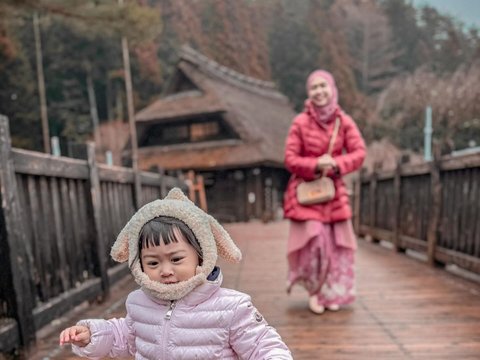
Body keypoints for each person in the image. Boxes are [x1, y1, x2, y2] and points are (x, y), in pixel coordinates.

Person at [59, 188, 292, 359]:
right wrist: (91, 335)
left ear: (201, 255)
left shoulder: (232, 307)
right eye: (152, 263)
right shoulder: (139, 302)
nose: (166, 271)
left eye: (176, 259)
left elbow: (263, 345)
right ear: (138, 264)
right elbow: (125, 337)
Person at [283, 69, 366, 314]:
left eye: (323, 86)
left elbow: (359, 153)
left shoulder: (344, 121)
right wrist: (315, 164)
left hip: (333, 193)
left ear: (332, 89)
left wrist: (338, 164)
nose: (319, 92)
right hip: (307, 193)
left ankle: (331, 293)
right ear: (309, 93)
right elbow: (290, 158)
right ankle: (315, 291)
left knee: (336, 245)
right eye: (314, 88)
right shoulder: (300, 122)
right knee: (315, 241)